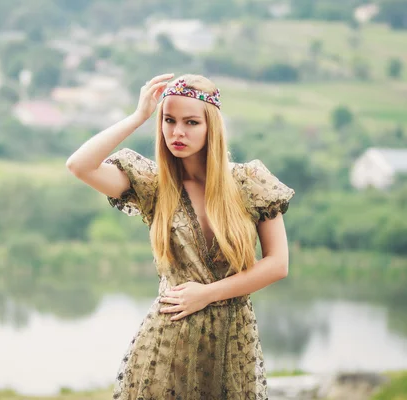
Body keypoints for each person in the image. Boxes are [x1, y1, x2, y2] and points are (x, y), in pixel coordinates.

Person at [65, 73, 294, 399]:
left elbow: (277, 264)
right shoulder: (154, 185)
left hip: (233, 340)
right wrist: (138, 117)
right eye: (169, 120)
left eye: (191, 122)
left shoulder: (249, 182)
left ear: (211, 127)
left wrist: (208, 294)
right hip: (167, 340)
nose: (177, 132)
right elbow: (79, 166)